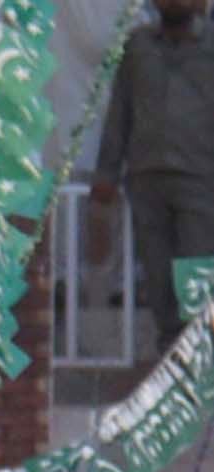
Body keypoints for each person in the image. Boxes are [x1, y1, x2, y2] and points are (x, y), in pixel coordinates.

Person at [100, 0, 214, 361]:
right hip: (146, 180)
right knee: (158, 281)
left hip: (199, 179)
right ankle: (171, 359)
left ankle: (197, 364)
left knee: (195, 279)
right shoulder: (137, 48)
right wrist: (106, 176)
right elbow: (119, 113)